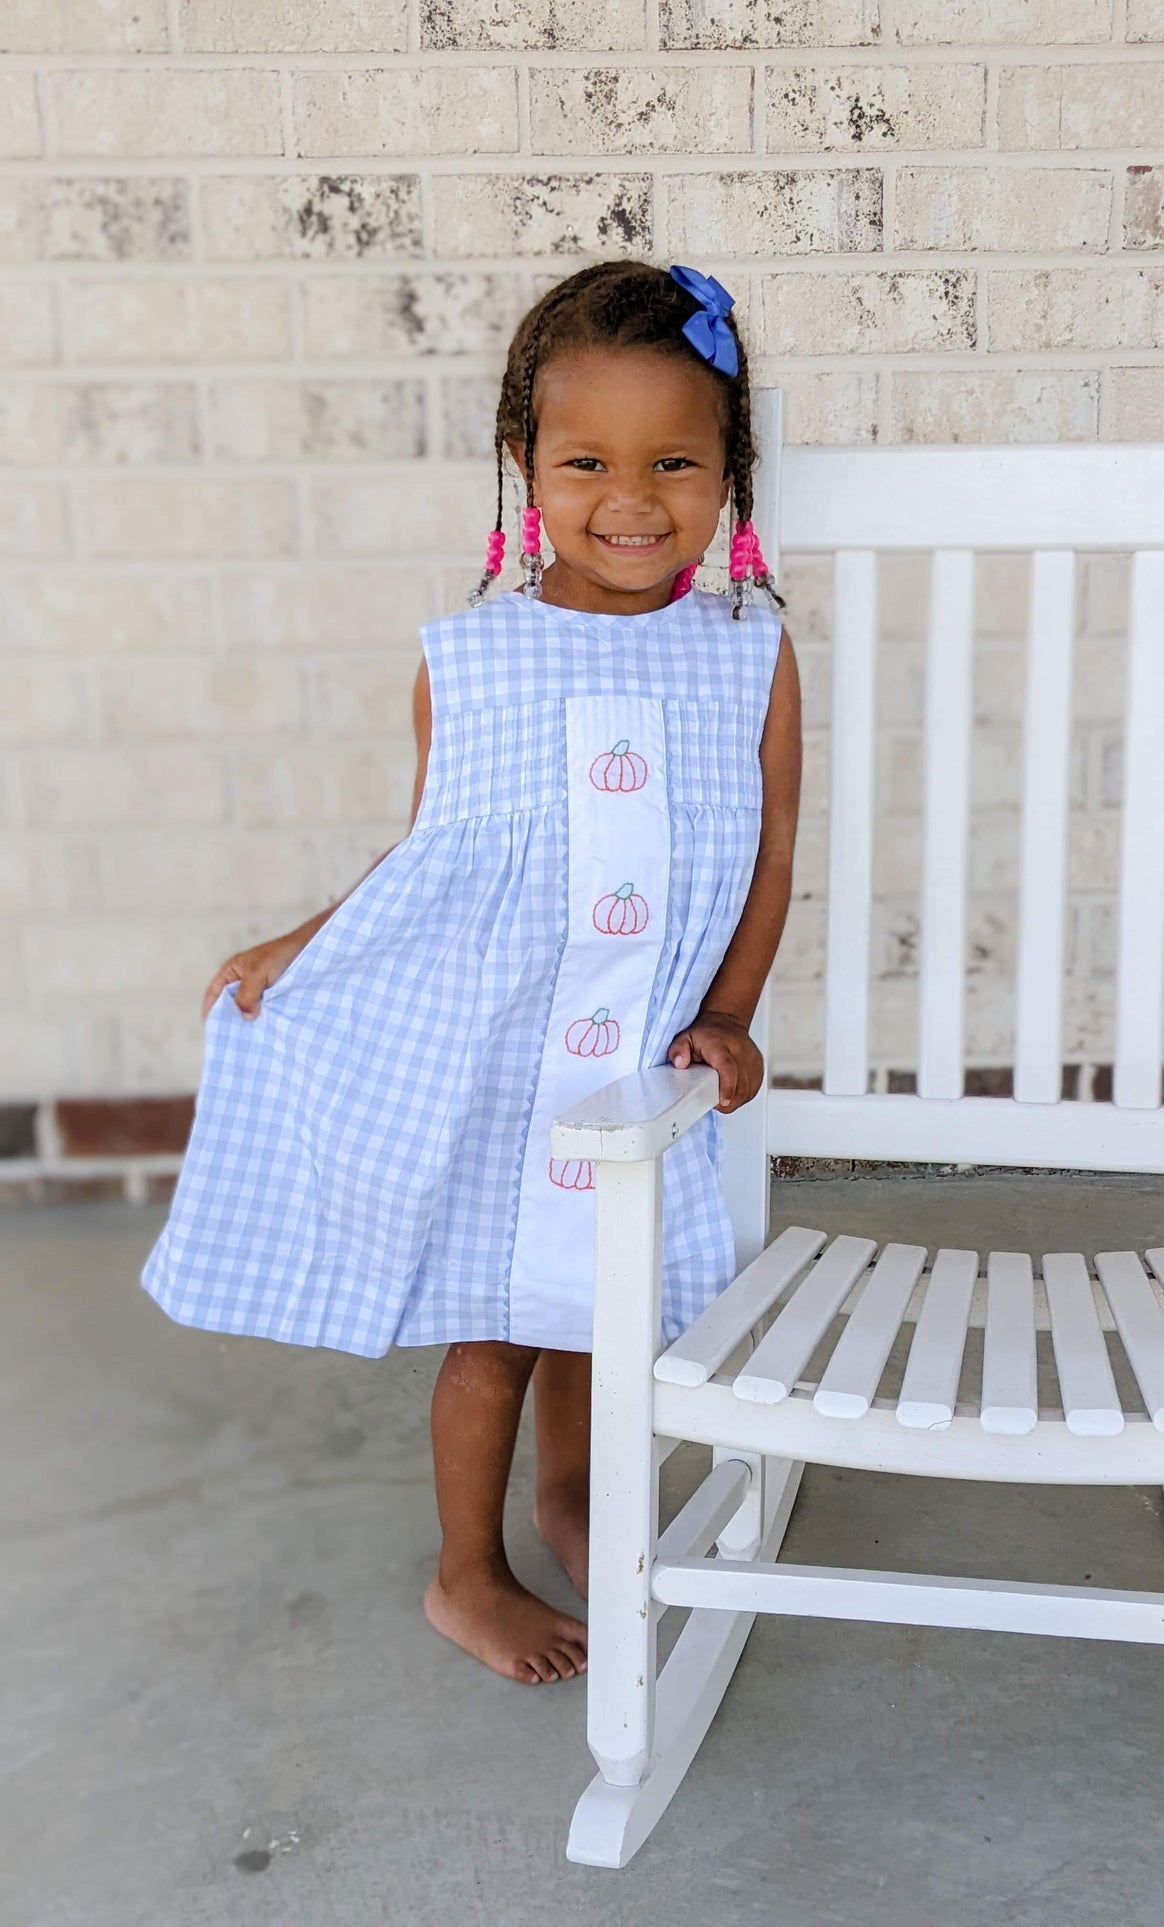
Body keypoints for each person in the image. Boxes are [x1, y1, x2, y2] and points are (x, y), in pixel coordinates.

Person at [139, 259, 803, 1690]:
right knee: (498, 1332)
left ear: (728, 471)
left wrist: (732, 1013)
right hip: (501, 1058)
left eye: (674, 462)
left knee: (599, 1315)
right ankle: (464, 1570)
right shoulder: (474, 656)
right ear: (524, 465)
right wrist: (306, 944)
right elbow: (431, 862)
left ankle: (572, 1502)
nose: (632, 500)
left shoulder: (749, 654)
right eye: (587, 463)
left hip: (638, 1059)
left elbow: (770, 855)